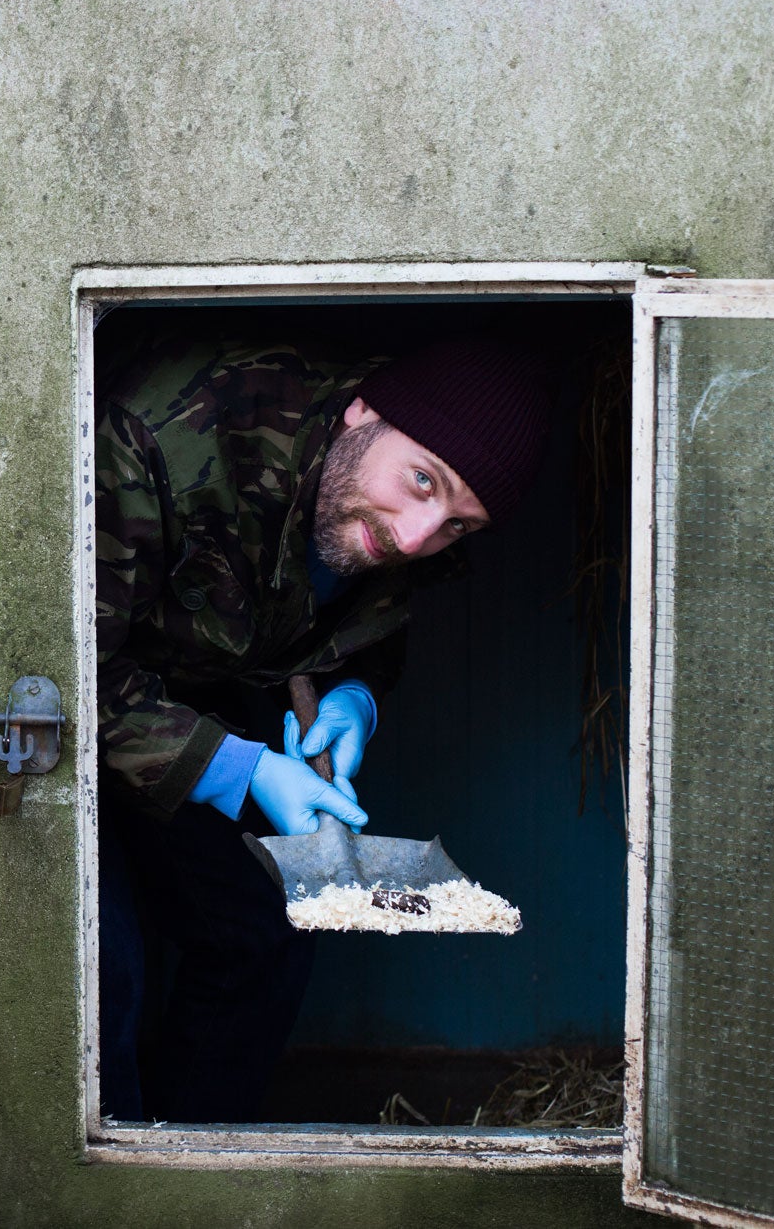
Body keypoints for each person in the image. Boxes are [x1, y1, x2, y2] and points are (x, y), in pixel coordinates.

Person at [95, 332, 555, 1122]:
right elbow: (61, 667)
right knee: (104, 975)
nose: (416, 537)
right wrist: (240, 770)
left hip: (200, 697)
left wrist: (355, 697)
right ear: (361, 410)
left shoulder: (394, 515)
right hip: (76, 727)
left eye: (458, 525)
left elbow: (370, 620)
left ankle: (198, 1168)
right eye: (422, 480)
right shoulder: (158, 438)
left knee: (262, 935)